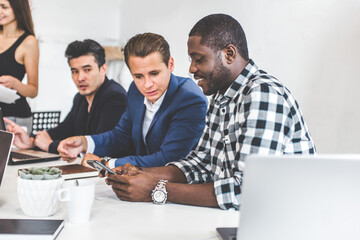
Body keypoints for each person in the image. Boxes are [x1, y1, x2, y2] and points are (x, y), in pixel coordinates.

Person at [100, 14, 316, 210]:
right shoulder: (222, 97)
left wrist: (155, 188)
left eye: (199, 59)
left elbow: (247, 192)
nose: (191, 68)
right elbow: (202, 163)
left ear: (229, 54)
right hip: (243, 218)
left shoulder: (263, 94)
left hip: (285, 220)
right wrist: (140, 173)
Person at [57, 33, 208, 168]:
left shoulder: (190, 99)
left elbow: (168, 158)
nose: (147, 84)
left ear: (171, 64)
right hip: (140, 184)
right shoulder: (135, 91)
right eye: (138, 76)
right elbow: (121, 136)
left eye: (154, 73)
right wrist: (84, 143)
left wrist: (107, 163)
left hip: (177, 189)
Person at [5, 39, 127, 154]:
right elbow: (64, 130)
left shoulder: (114, 96)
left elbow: (101, 146)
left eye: (87, 70)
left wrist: (50, 145)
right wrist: (31, 141)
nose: (80, 78)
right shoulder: (80, 98)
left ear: (103, 69)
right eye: (75, 71)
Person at [0, 0, 39, 133]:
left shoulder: (29, 42)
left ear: (17, 8)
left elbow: (33, 91)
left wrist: (15, 84)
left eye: (4, 7)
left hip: (14, 117)